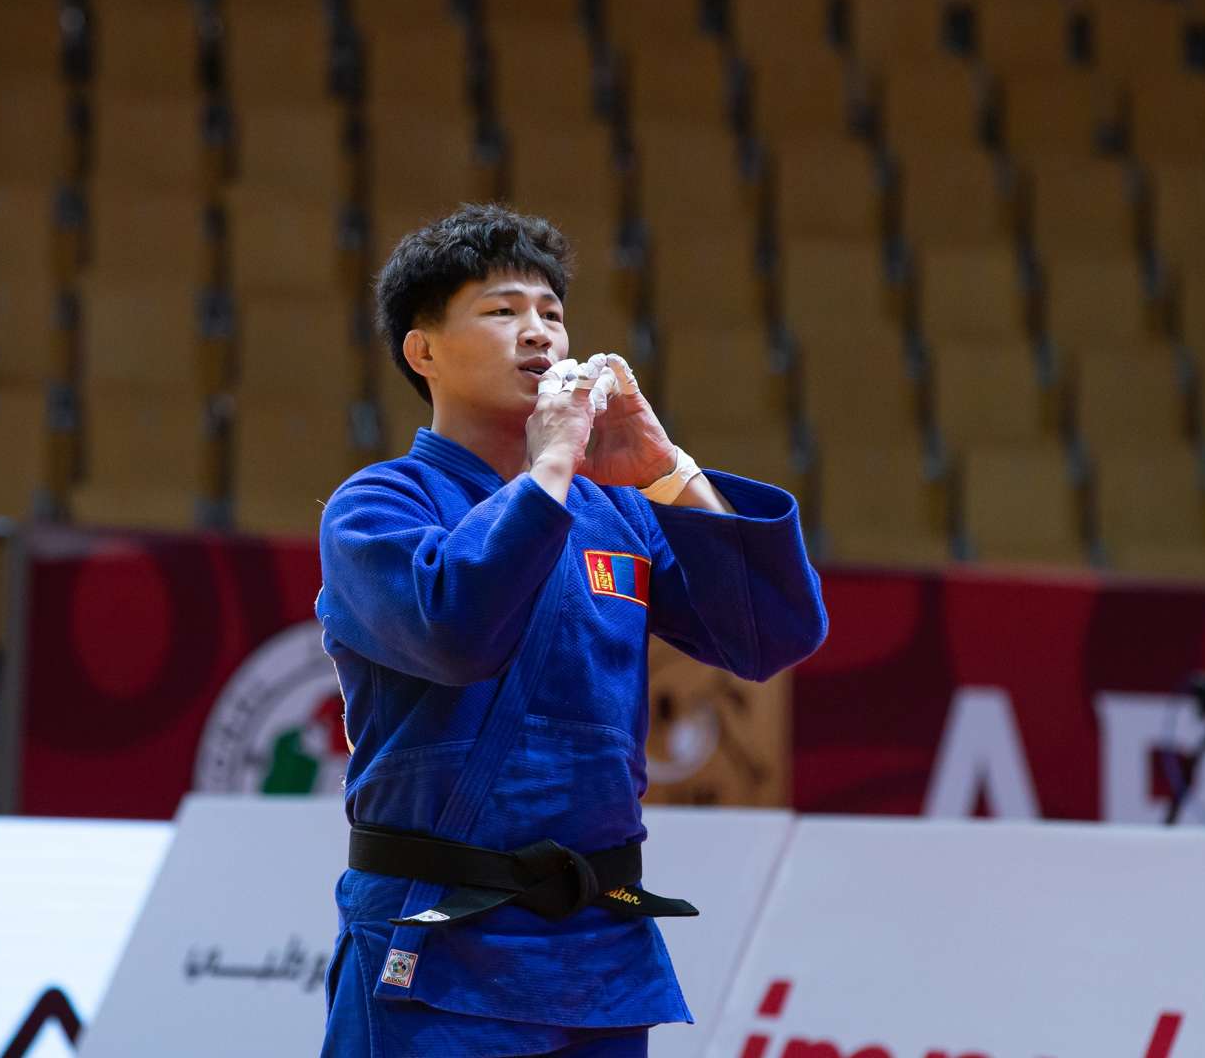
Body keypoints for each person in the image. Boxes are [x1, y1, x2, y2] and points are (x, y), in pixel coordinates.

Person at [315, 203, 827, 1057]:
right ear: (424, 351)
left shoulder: (617, 513)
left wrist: (667, 473)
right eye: (502, 309)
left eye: (552, 312)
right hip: (438, 940)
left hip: (595, 954)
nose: (539, 332)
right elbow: (458, 632)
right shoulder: (375, 508)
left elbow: (769, 635)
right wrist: (550, 462)